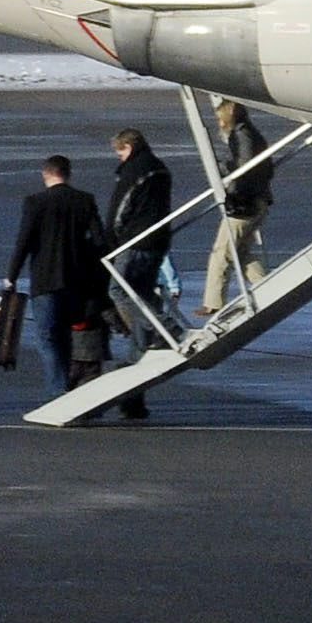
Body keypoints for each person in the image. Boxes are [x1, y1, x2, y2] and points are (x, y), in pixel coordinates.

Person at [6, 156, 109, 391]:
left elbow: (24, 242)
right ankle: (67, 386)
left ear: (46, 174)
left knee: (48, 337)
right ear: (68, 173)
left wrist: (11, 276)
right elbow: (100, 241)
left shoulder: (35, 202)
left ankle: (59, 389)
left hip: (45, 279)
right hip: (77, 280)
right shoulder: (85, 200)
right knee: (65, 336)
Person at [100, 129, 178, 420]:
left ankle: (163, 327)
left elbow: (121, 207)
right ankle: (133, 398)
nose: (118, 157)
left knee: (119, 291)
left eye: (119, 151)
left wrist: (112, 239)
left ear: (129, 147)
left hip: (135, 242)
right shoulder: (160, 168)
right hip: (158, 242)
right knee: (142, 298)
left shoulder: (134, 170)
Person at [204, 104, 273, 313]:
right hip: (257, 199)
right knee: (240, 253)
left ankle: (213, 303)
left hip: (246, 202)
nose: (219, 123)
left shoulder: (242, 134)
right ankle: (268, 288)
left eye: (220, 119)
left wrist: (222, 167)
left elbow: (245, 165)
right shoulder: (249, 133)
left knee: (222, 252)